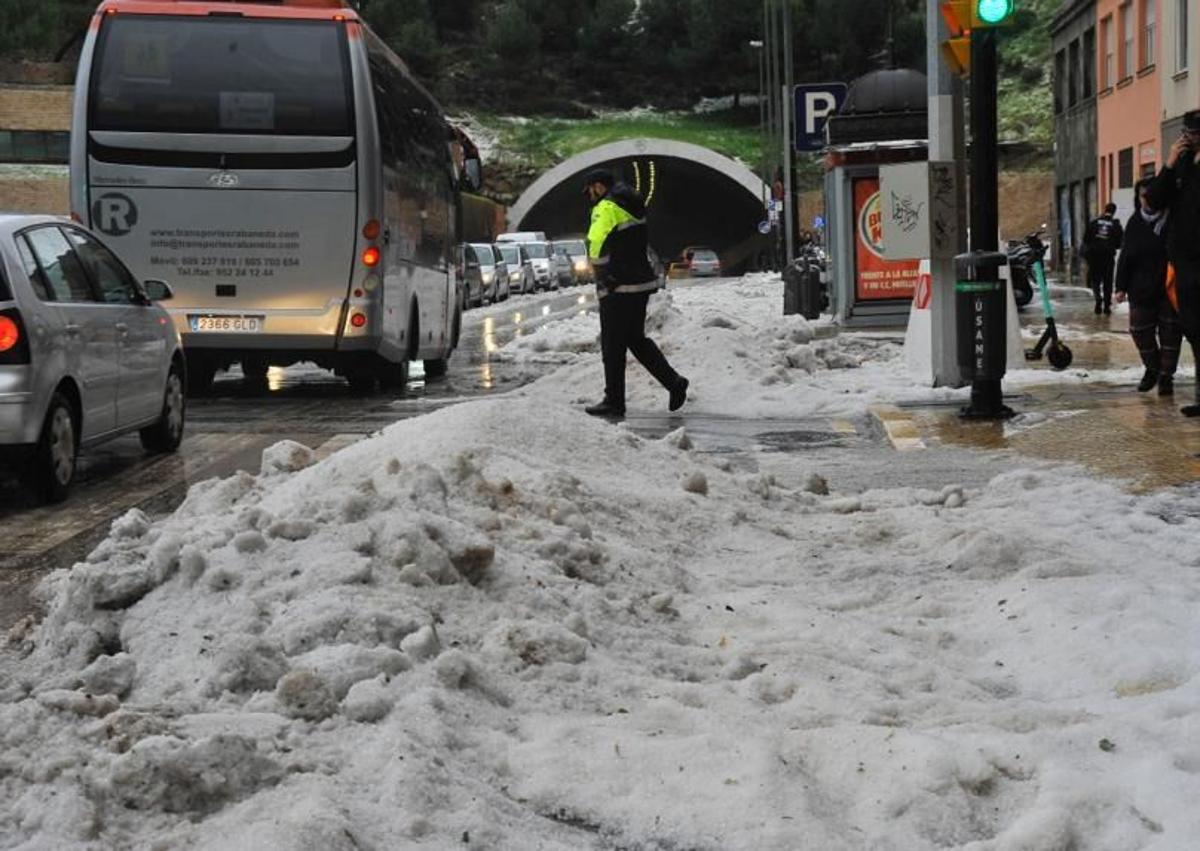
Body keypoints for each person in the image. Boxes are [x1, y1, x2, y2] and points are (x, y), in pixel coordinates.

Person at [581, 169, 688, 418]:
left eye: (590, 190)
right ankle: (674, 383)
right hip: (638, 283)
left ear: (598, 186)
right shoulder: (632, 202)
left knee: (612, 345)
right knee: (635, 339)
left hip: (617, 285)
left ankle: (614, 401)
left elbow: (595, 244)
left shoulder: (607, 206)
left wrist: (602, 276)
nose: (590, 196)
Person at [1147, 109, 1200, 416]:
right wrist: (1168, 164)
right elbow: (1153, 200)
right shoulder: (1181, 164)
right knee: (1193, 328)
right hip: (1184, 262)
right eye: (1186, 133)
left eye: (1192, 134)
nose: (1187, 138)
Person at [1114, 178, 1181, 395]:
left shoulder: (1174, 220)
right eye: (1143, 196)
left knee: (1171, 333)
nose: (1147, 200)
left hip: (1169, 287)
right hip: (1140, 289)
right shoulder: (1135, 222)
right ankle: (1153, 368)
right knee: (1139, 330)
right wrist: (1120, 286)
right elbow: (1125, 256)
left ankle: (1166, 376)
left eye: (1150, 195)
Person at [1082, 202, 1124, 315]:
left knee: (1095, 280)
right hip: (1108, 257)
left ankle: (1097, 299)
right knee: (1107, 281)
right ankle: (1106, 306)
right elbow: (1120, 243)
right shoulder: (1115, 225)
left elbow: (1086, 239)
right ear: (1114, 211)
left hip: (1094, 257)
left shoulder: (1094, 223)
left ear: (1105, 209)